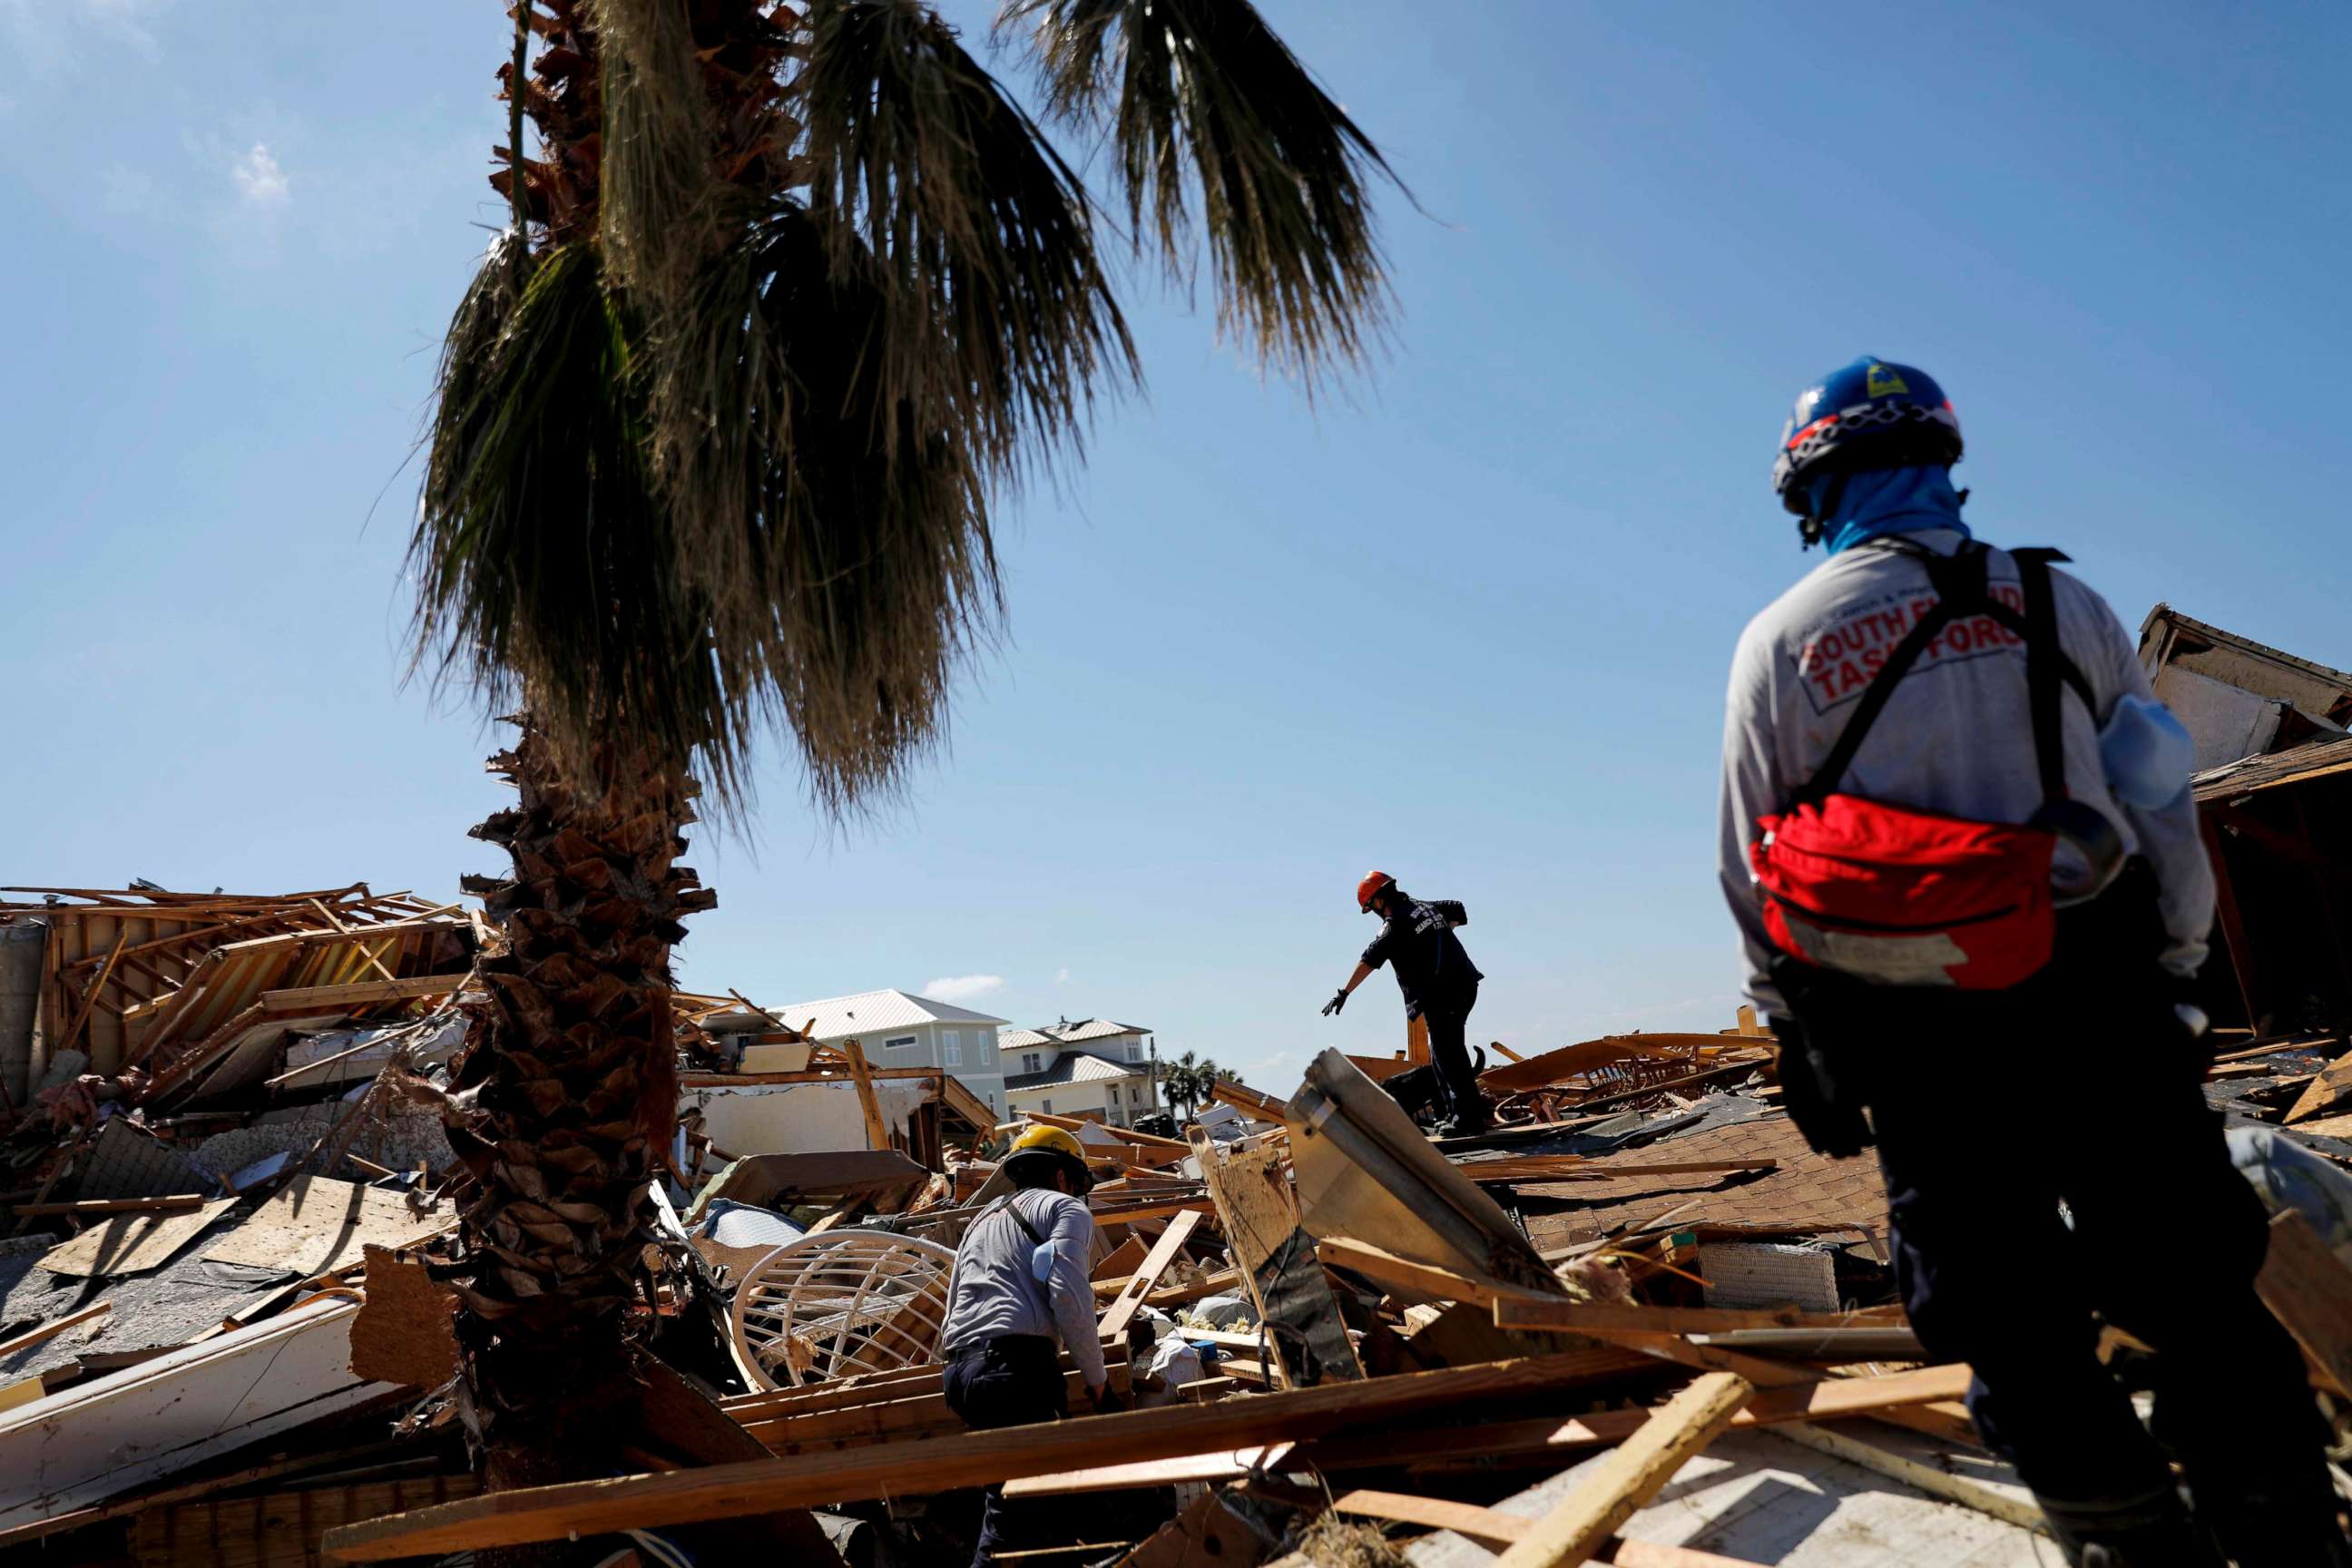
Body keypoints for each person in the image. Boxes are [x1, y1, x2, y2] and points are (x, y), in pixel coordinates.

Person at [1718, 356, 2347, 1567]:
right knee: (2200, 1303)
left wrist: (1795, 1036)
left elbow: (1752, 869)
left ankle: (2136, 1551)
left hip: (1913, 1037)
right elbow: (2163, 807)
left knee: (2011, 1329)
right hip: (2097, 999)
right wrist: (2176, 970)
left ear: (1810, 489)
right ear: (1944, 466)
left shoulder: (1781, 644)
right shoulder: (2067, 608)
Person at [938, 1123, 1122, 1567]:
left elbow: (952, 1305)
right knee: (1014, 1512)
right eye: (1077, 1183)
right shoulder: (1065, 1210)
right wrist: (1098, 1384)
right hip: (1014, 1370)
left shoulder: (981, 1222)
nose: (1078, 1192)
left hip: (962, 1373)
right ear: (1062, 1176)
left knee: (1043, 1504)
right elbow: (1070, 1297)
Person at [1323, 871, 1488, 1135]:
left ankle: (1469, 1120)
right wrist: (1440, 937)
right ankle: (1456, 1114)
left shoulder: (1394, 924)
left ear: (1377, 901)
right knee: (1442, 1053)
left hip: (1442, 993)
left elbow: (1369, 960)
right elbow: (1457, 909)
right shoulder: (1425, 907)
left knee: (1449, 1054)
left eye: (1370, 907)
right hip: (1464, 984)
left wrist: (1344, 992)